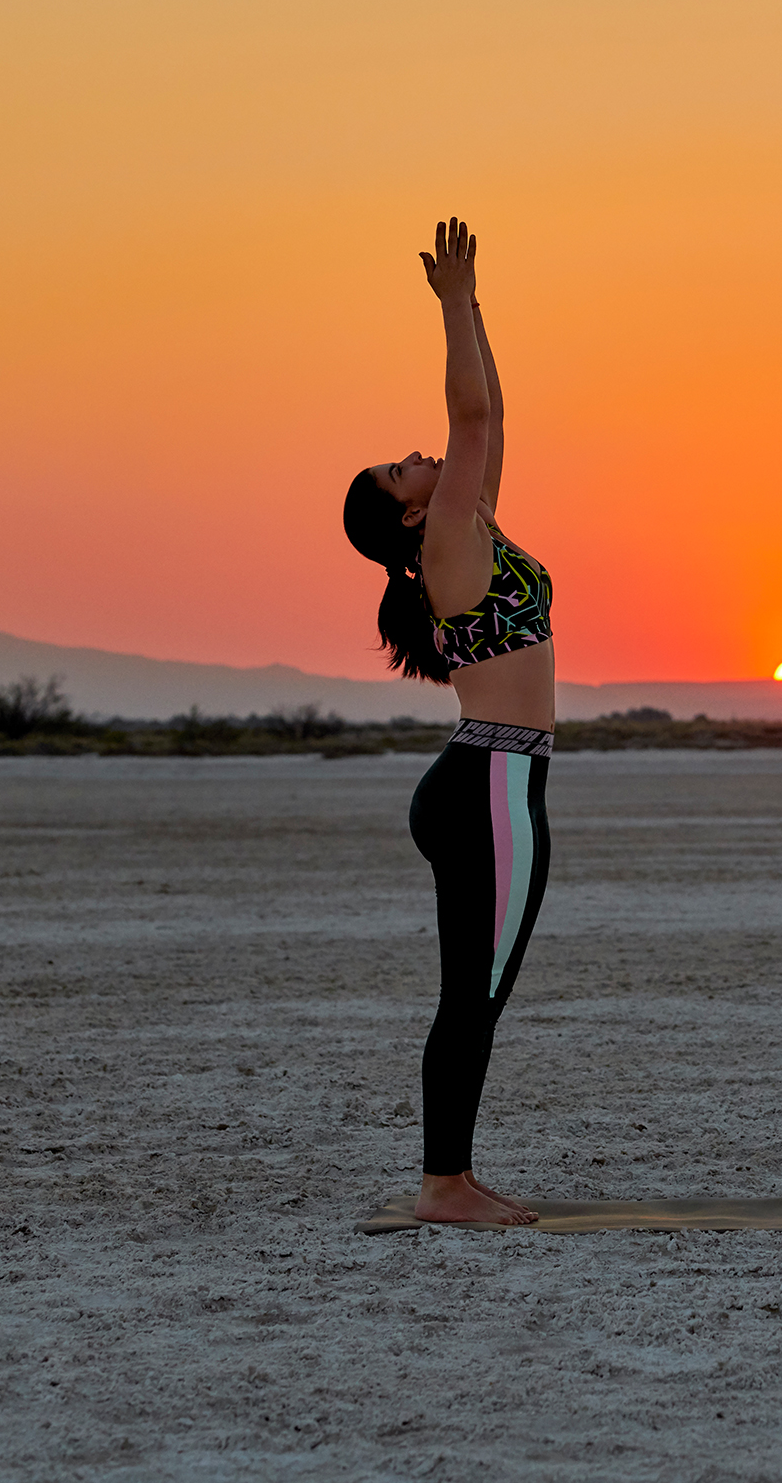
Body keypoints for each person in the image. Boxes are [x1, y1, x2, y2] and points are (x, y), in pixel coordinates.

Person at [341, 218, 553, 1226]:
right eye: (400, 470)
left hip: (483, 784)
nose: (418, 455)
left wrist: (474, 307)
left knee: (476, 988)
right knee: (475, 991)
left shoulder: (467, 534)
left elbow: (490, 421)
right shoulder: (446, 553)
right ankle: (444, 1185)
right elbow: (468, 422)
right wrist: (450, 304)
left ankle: (451, 1179)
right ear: (408, 519)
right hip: (491, 789)